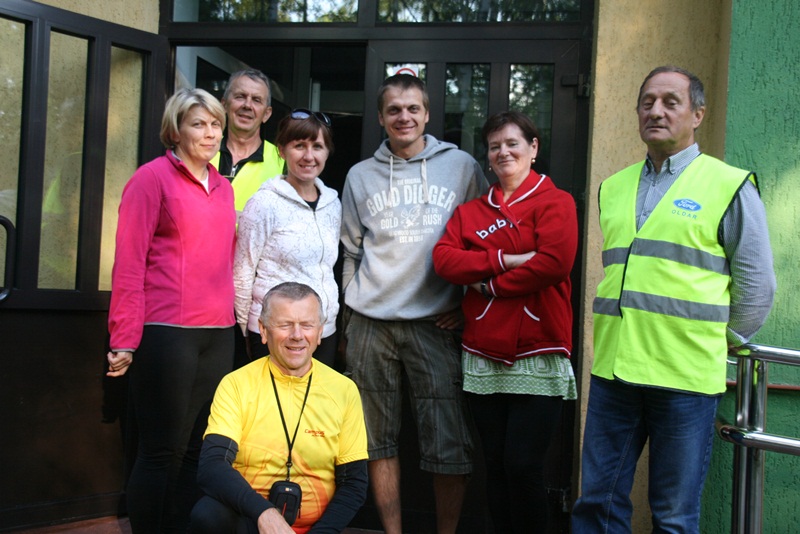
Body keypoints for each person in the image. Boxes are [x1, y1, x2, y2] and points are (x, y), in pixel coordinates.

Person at [571, 66, 776, 533]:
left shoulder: (728, 186)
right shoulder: (614, 187)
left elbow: (757, 287)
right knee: (597, 503)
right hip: (614, 373)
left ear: (697, 114)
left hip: (685, 379)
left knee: (673, 517)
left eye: (670, 102)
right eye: (647, 102)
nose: (656, 111)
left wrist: (715, 340)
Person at [340, 73, 487, 534]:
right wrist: (349, 316)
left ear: (426, 114)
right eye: (394, 110)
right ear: (381, 117)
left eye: (412, 109)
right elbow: (351, 252)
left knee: (448, 441)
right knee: (375, 440)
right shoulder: (360, 176)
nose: (403, 117)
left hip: (435, 323)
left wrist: (467, 304)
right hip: (370, 322)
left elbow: (485, 236)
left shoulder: (460, 167)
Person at [433, 110, 578, 533]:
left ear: (533, 148)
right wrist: (506, 259)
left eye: (513, 143)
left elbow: (553, 263)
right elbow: (445, 260)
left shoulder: (556, 202)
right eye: (495, 146)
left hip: (538, 347)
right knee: (494, 464)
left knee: (523, 466)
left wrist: (488, 285)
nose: (503, 152)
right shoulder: (472, 212)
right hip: (484, 349)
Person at [106, 88, 236, 533]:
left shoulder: (224, 188)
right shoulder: (150, 179)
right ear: (176, 131)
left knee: (198, 448)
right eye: (198, 124)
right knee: (160, 450)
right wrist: (124, 338)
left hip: (218, 334)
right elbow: (128, 263)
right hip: (167, 332)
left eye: (215, 124)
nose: (210, 133)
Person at [189, 282, 369, 534]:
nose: (297, 335)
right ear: (263, 330)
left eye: (307, 325)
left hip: (316, 528)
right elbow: (212, 466)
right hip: (251, 521)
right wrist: (264, 513)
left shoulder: (344, 390)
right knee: (208, 514)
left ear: (320, 332)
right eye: (285, 325)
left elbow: (354, 483)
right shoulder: (236, 384)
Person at [234, 109, 341, 367]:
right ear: (282, 150)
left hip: (322, 331)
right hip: (275, 333)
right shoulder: (264, 202)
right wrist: (243, 332)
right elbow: (243, 271)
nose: (309, 156)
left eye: (317, 146)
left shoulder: (333, 204)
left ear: (327, 152)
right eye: (299, 146)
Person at [211, 68, 284, 218]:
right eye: (240, 96)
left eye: (256, 100)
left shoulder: (283, 161)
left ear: (267, 114)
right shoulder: (201, 150)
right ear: (224, 105)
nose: (247, 105)